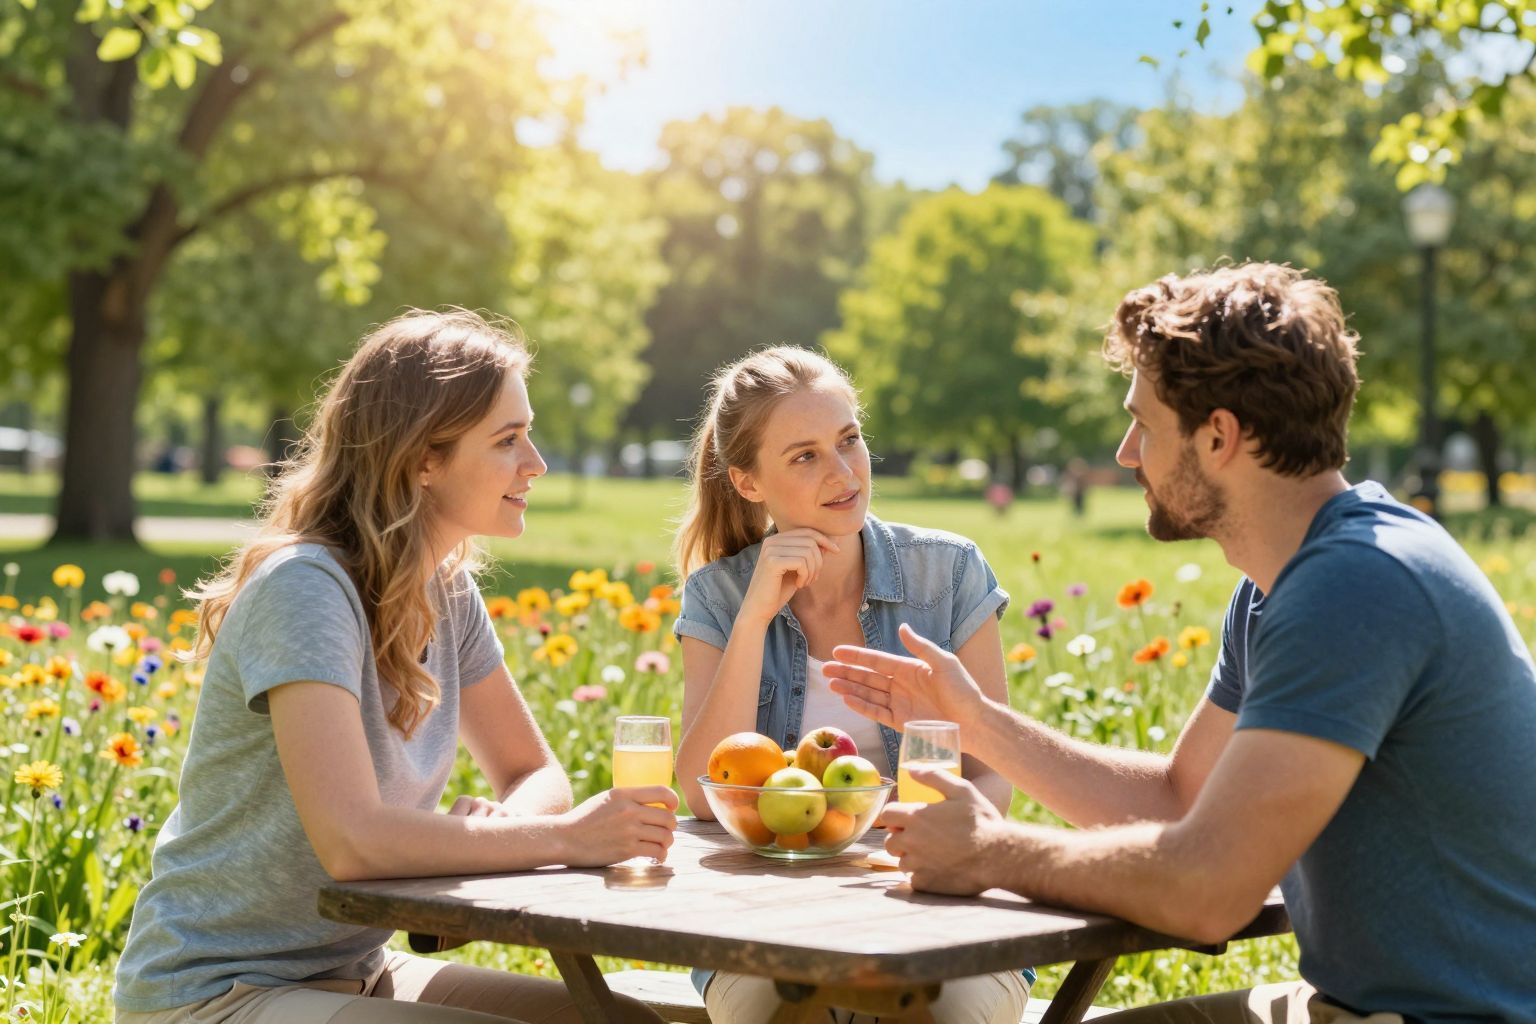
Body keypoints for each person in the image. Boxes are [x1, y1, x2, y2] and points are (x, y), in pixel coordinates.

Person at [826, 263, 1536, 1023]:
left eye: (1145, 424)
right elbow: (1179, 800)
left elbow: (1208, 893)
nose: (1128, 452)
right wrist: (978, 724)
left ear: (1220, 436)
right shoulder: (1279, 585)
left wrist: (990, 851)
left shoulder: (1358, 585)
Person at [114, 310, 677, 1024]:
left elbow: (538, 775)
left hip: (358, 972)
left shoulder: (445, 589)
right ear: (421, 460)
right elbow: (352, 841)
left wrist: (509, 824)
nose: (535, 463)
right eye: (508, 441)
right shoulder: (305, 588)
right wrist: (564, 840)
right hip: (217, 992)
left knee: (624, 1023)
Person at [670, 346, 1032, 1024]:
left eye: (849, 440)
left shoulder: (948, 574)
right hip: (764, 918)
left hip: (934, 908)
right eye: (804, 456)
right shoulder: (719, 596)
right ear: (748, 483)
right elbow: (700, 792)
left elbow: (996, 772)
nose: (843, 473)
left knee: (927, 1011)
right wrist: (754, 618)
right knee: (788, 1010)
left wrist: (947, 849)